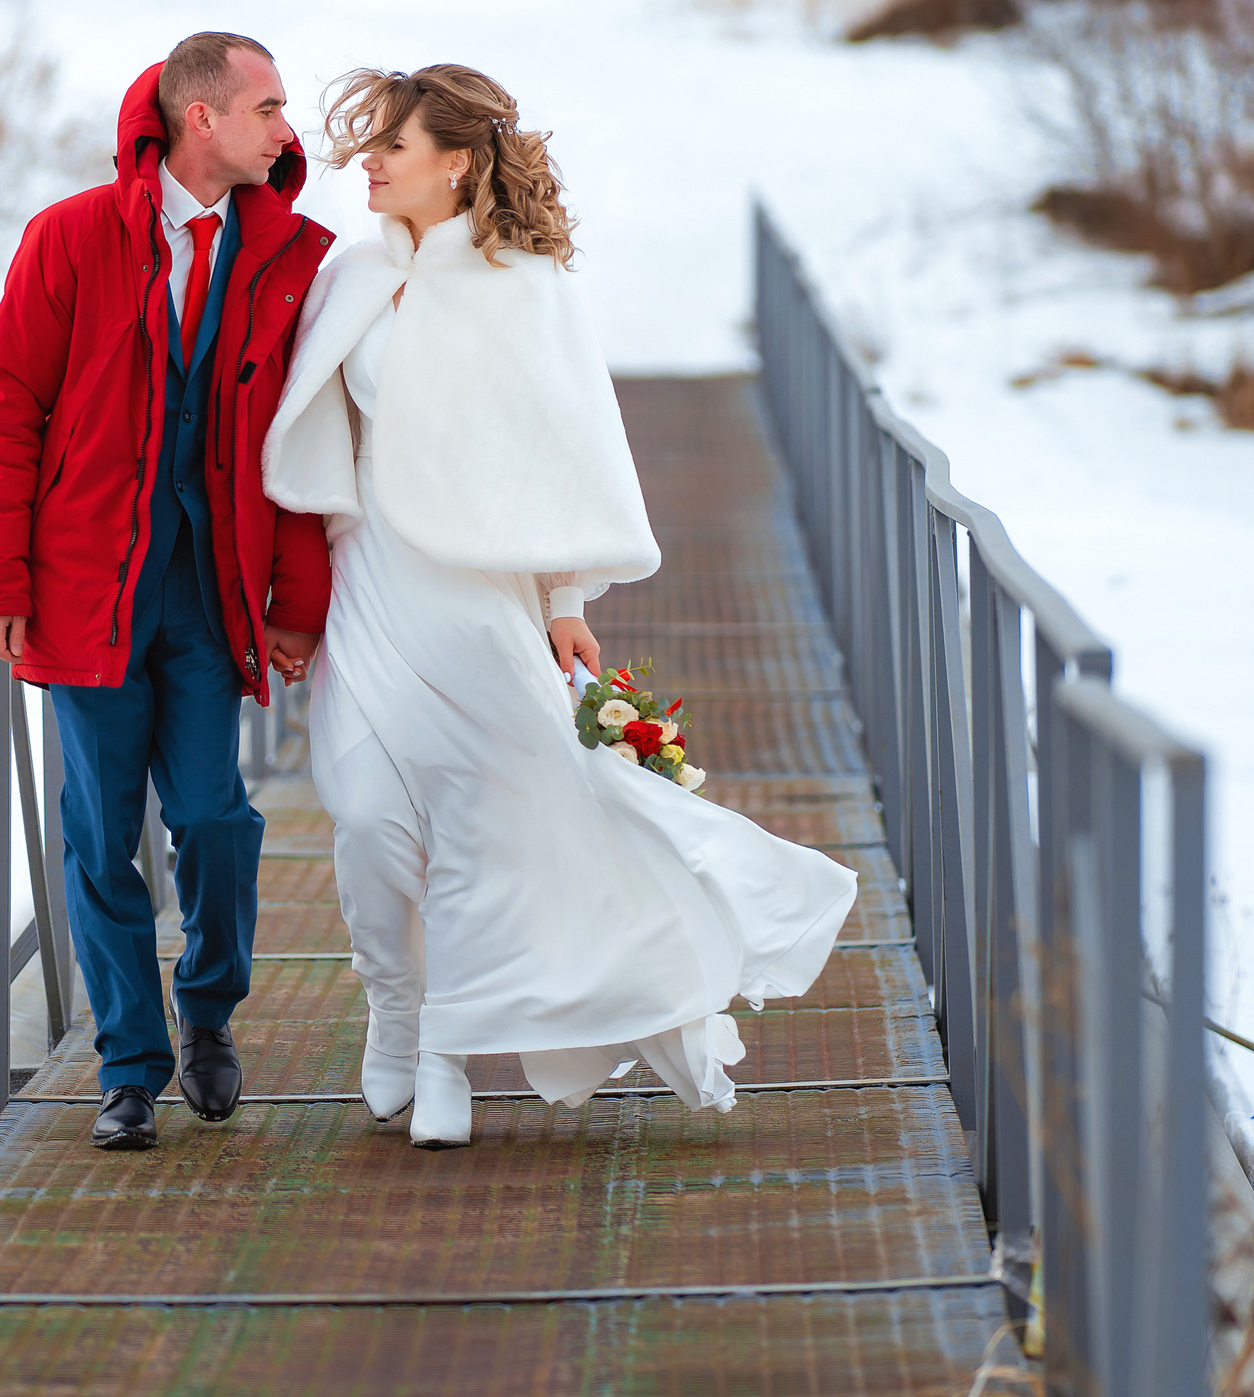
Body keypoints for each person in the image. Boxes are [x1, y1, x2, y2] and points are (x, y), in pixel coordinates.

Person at [261, 64, 857, 1149]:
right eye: (370, 146)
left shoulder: (524, 285)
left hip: (480, 595)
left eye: (396, 145)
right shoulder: (346, 274)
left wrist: (566, 595)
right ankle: (392, 1006)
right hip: (371, 586)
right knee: (365, 815)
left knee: (483, 824)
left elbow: (565, 448)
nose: (372, 163)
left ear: (457, 160)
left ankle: (443, 1047)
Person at [0, 32, 336, 1150]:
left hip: (207, 588)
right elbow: (7, 405)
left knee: (215, 818)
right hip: (86, 585)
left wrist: (294, 597)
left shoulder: (288, 256)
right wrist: (1, 574)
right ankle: (126, 1065)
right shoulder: (71, 236)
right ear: (200, 120)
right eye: (268, 107)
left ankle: (208, 1013)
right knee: (96, 831)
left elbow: (307, 437)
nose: (288, 130)